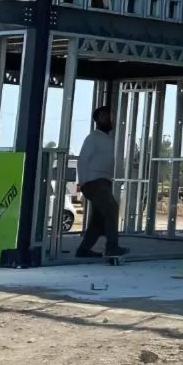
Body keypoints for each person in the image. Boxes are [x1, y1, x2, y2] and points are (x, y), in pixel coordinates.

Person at [75, 106, 127, 259]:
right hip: (94, 182)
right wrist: (83, 182)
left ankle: (83, 250)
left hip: (104, 182)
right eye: (104, 116)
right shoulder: (93, 138)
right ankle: (112, 247)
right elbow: (82, 160)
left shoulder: (109, 139)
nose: (108, 119)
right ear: (97, 120)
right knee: (111, 208)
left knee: (98, 220)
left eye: (109, 116)